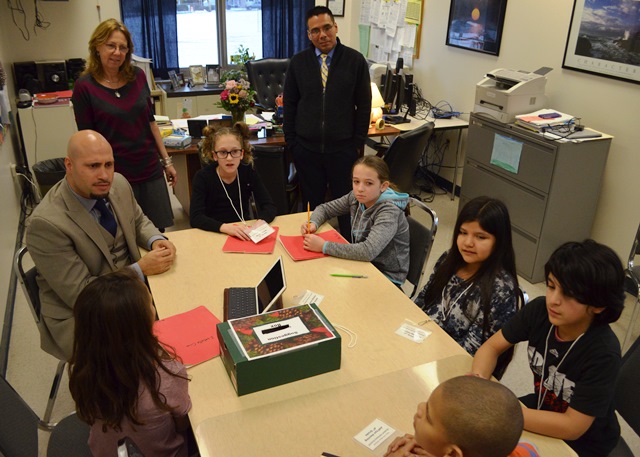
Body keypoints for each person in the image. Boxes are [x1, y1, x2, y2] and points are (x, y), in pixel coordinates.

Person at [25, 130, 176, 361]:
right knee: (157, 354)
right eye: (93, 166)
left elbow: (138, 221)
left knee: (186, 311)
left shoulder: (119, 183)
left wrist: (156, 240)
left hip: (131, 293)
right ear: (69, 165)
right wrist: (139, 270)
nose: (104, 175)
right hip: (84, 314)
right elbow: (82, 295)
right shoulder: (45, 224)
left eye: (109, 164)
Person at [470, 239, 626, 457]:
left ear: (598, 304)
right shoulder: (539, 311)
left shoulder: (603, 352)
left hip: (585, 442)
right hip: (543, 408)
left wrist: (504, 412)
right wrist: (477, 383)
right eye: (551, 286)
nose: (553, 300)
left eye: (568, 294)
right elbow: (491, 348)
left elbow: (573, 427)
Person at [69, 269, 191, 457]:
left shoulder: (84, 372)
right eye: (150, 303)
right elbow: (183, 424)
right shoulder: (166, 376)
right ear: (141, 324)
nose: (154, 309)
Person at [71, 18, 176, 231]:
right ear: (97, 47)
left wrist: (166, 161)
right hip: (114, 174)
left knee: (156, 231)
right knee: (122, 233)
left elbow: (151, 122)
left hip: (149, 168)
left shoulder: (137, 77)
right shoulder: (84, 87)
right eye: (111, 45)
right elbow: (87, 140)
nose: (117, 52)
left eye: (122, 47)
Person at [284, 6, 371, 236]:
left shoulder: (355, 61)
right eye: (315, 31)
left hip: (343, 151)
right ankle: (312, 253)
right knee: (312, 210)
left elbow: (364, 105)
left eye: (326, 28)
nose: (322, 35)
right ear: (308, 35)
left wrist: (357, 143)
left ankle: (351, 250)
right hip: (307, 150)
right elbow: (290, 105)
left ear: (335, 27)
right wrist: (292, 142)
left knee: (347, 208)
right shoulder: (298, 63)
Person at [415, 197, 519, 368]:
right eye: (463, 233)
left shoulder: (501, 290)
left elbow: (471, 352)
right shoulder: (449, 259)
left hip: (450, 365)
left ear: (499, 241)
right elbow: (422, 301)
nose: (468, 243)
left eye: (480, 237)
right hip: (421, 345)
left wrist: (424, 356)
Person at [301, 156, 409, 286]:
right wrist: (313, 223)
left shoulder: (389, 211)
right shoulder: (356, 197)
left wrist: (324, 246)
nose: (360, 189)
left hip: (386, 275)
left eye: (368, 183)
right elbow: (324, 209)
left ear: (383, 186)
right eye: (356, 181)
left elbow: (368, 251)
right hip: (363, 264)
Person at [384, 375, 536, 457]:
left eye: (429, 418)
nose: (419, 408)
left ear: (453, 453)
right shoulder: (521, 450)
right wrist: (435, 447)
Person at [190, 122, 277, 239]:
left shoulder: (248, 172)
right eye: (223, 152)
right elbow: (196, 217)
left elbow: (269, 205)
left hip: (243, 231)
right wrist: (225, 228)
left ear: (242, 154)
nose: (229, 158)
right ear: (214, 155)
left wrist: (262, 221)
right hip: (214, 232)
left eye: (235, 151)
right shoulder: (202, 177)